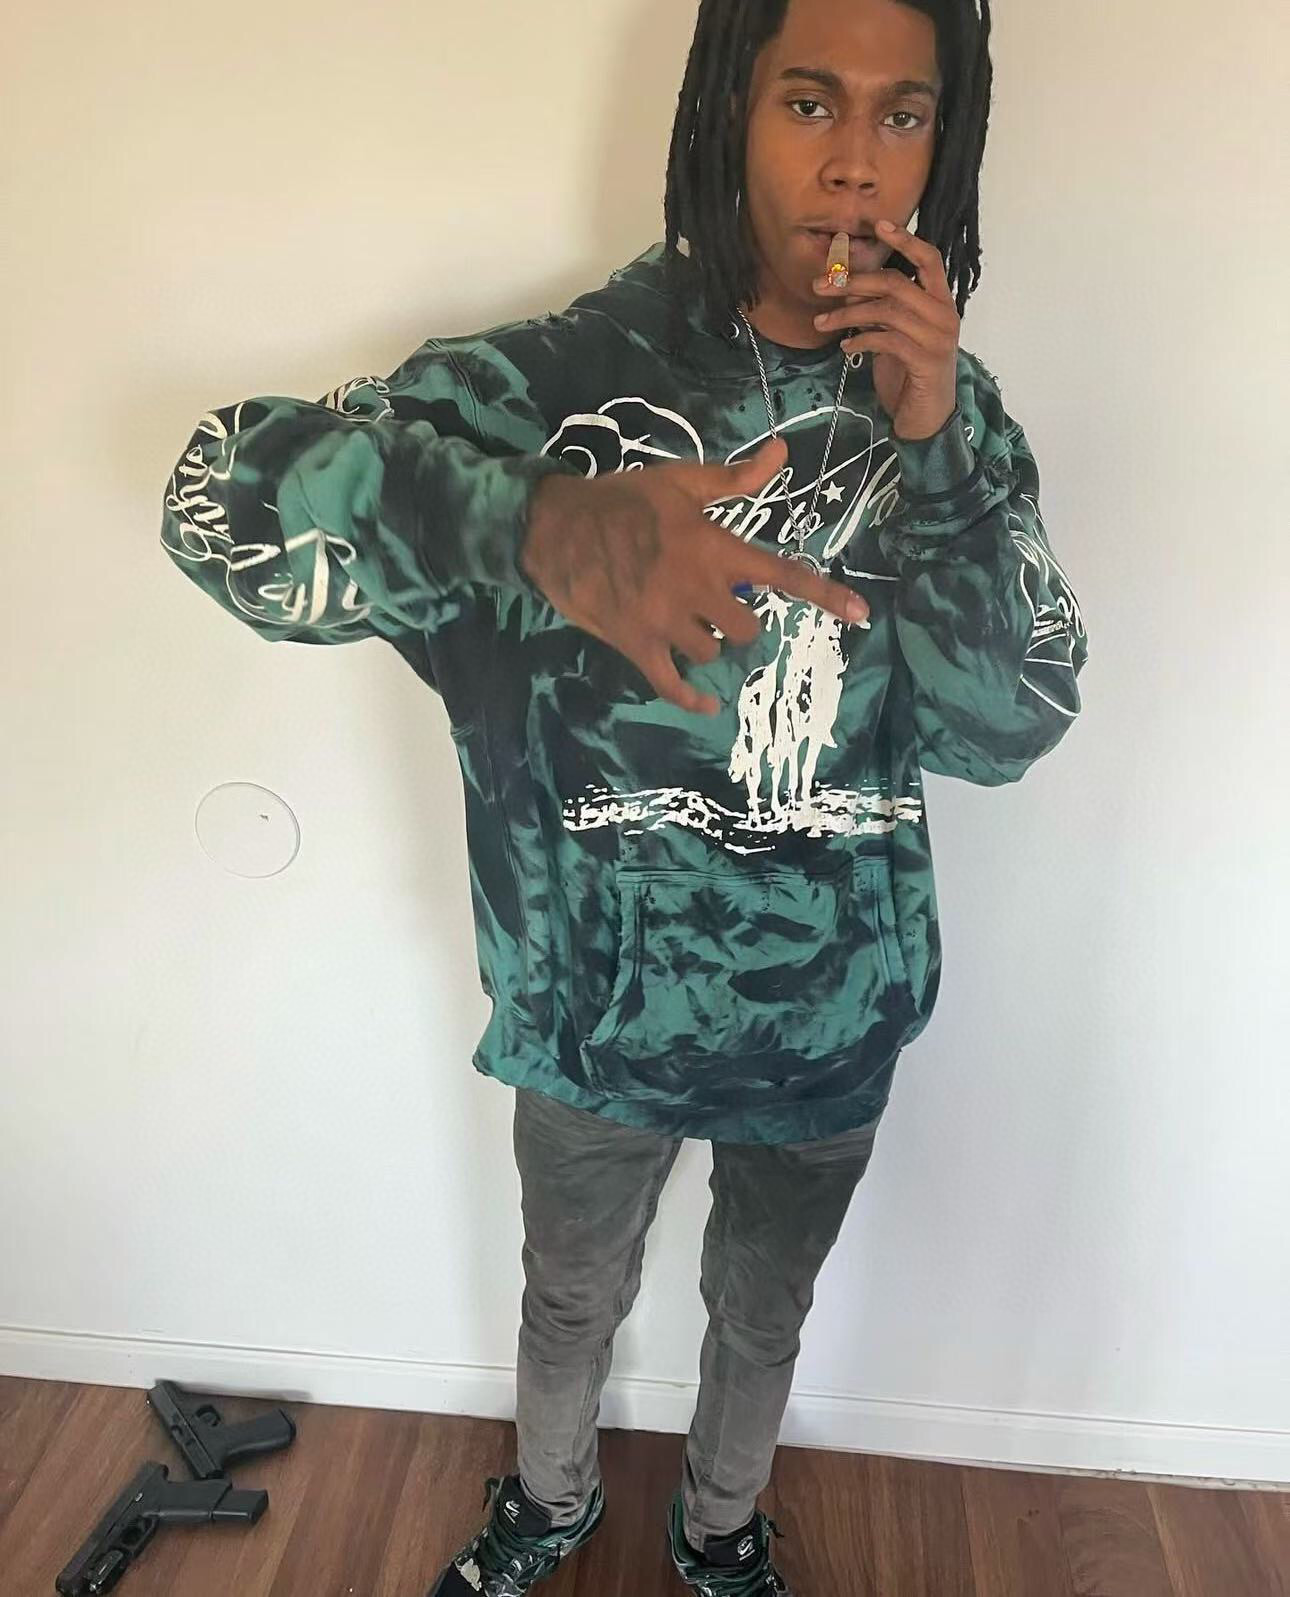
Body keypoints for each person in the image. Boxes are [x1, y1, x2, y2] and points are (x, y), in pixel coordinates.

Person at [159, 0, 1087, 1589]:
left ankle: (719, 1526)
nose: (857, 165)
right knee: (567, 1298)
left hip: (831, 1018)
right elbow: (218, 508)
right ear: (728, 107)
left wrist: (933, 447)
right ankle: (549, 1502)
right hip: (594, 1020)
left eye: (903, 114)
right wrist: (534, 524)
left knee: (763, 1314)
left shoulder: (949, 411)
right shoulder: (546, 385)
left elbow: (1010, 727)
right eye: (809, 101)